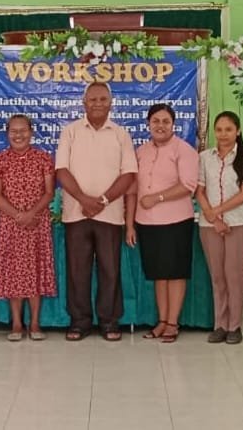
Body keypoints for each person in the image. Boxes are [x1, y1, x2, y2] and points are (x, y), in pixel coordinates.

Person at [55, 82, 138, 342]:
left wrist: (101, 200)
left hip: (110, 214)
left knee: (110, 269)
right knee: (77, 270)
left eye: (103, 99)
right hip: (76, 214)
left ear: (111, 103)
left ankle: (109, 321)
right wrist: (83, 199)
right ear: (84, 103)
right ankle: (79, 322)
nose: (98, 103)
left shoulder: (121, 134)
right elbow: (61, 171)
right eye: (93, 99)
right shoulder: (70, 132)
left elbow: (129, 174)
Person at [126, 103, 198, 344]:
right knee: (159, 273)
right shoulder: (141, 151)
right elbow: (133, 189)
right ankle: (162, 321)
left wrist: (157, 197)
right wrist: (130, 224)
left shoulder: (184, 150)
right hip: (146, 223)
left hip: (176, 220)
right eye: (155, 121)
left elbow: (188, 185)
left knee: (175, 272)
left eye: (166, 121)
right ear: (148, 124)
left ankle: (173, 323)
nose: (160, 125)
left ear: (173, 124)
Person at [0, 114, 57, 342]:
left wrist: (31, 214)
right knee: (14, 274)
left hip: (37, 223)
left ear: (31, 131)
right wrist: (18, 215)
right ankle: (16, 323)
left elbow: (49, 192)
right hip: (10, 224)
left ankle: (35, 323)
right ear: (7, 133)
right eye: (13, 131)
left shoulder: (44, 158)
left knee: (35, 272)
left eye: (23, 130)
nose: (18, 135)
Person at [196, 111, 243, 345]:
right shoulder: (205, 157)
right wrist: (211, 216)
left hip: (239, 222)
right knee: (217, 276)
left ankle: (235, 326)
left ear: (237, 131)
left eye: (228, 129)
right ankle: (219, 324)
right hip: (209, 224)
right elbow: (199, 190)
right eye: (219, 130)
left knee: (235, 275)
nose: (223, 134)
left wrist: (217, 211)